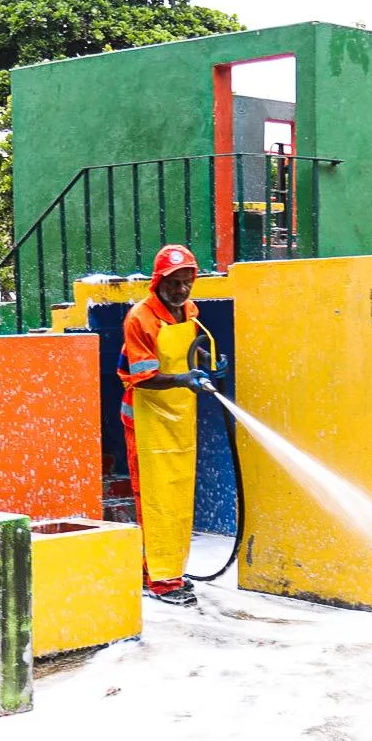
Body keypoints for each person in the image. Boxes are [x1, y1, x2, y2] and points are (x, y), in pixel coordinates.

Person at [118, 244, 221, 606]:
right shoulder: (139, 319)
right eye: (174, 283)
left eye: (186, 283)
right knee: (155, 499)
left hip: (178, 416)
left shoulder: (188, 310)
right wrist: (183, 380)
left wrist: (208, 359)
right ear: (158, 281)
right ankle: (157, 579)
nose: (181, 291)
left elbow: (191, 345)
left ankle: (170, 569)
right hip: (146, 419)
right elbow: (141, 377)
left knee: (177, 497)